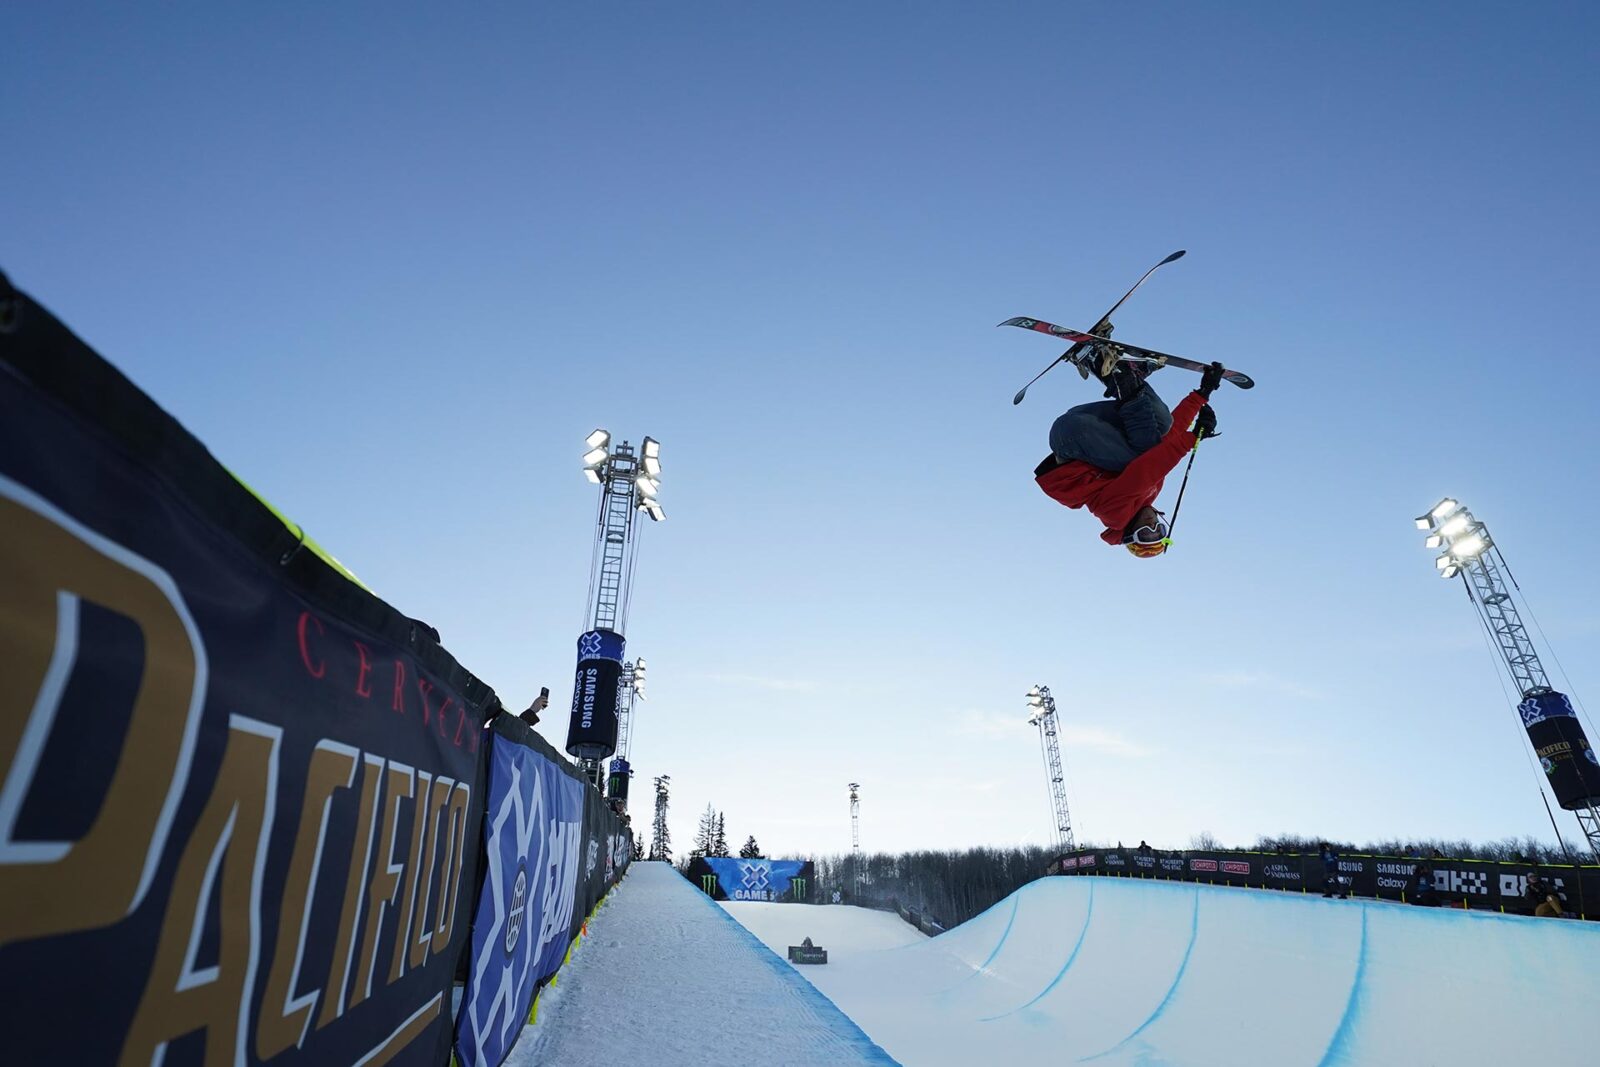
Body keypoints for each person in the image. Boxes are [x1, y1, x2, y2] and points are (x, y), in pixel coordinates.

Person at [1034, 354, 1225, 557]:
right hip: (1091, 427)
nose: (1152, 525)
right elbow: (1171, 438)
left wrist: (1193, 437)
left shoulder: (1115, 516)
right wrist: (1202, 395)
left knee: (1147, 450)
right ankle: (1105, 364)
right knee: (1162, 423)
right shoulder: (1150, 493)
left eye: (1145, 534)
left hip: (1072, 439)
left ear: (1129, 534)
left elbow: (1144, 470)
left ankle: (1125, 380)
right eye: (1159, 530)